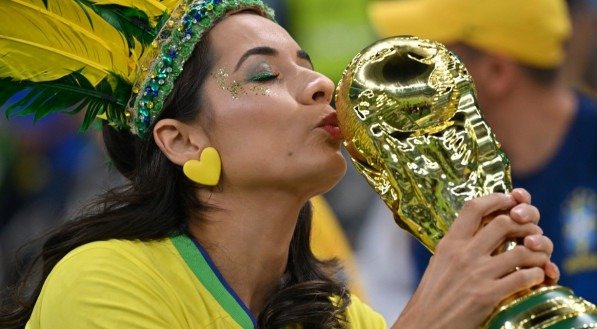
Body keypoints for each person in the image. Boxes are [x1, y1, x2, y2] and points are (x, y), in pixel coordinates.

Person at [0, 0, 557, 328]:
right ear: (183, 142)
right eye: (263, 75)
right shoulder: (103, 280)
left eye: (308, 64)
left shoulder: (342, 317)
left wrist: (508, 305)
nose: (320, 85)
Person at [360, 0, 597, 322]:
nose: (405, 85)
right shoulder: (421, 180)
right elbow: (383, 296)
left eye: (424, 64)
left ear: (496, 71)